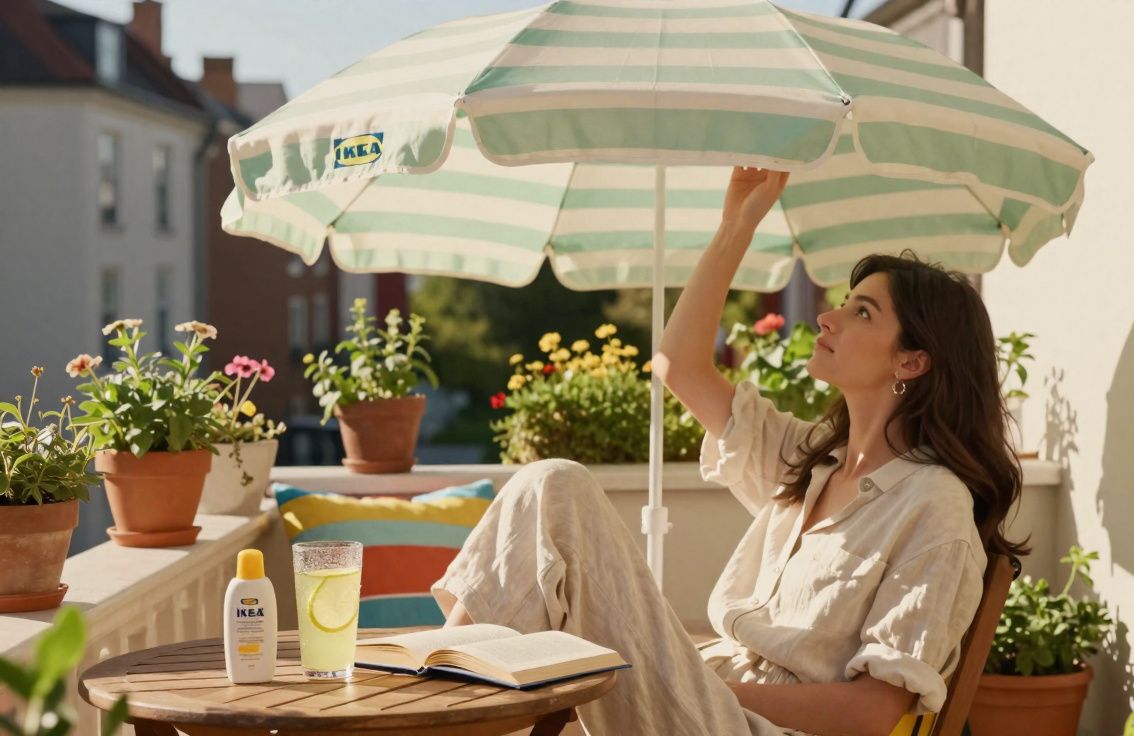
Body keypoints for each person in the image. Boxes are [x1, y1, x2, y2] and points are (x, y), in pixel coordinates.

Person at [433, 167, 1028, 736]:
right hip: (706, 699)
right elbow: (679, 366)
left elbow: (873, 713)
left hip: (753, 724)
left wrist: (693, 688)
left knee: (559, 488)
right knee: (544, 494)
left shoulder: (934, 508)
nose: (828, 316)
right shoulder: (809, 461)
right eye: (845, 302)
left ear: (911, 361)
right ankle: (433, 691)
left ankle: (427, 699)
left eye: (861, 312)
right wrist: (736, 225)